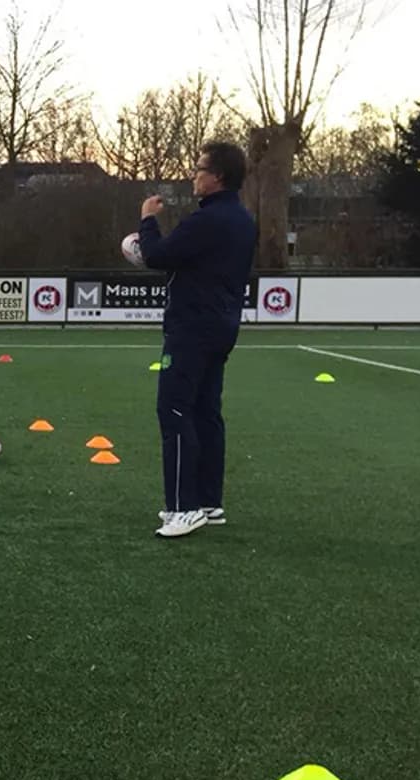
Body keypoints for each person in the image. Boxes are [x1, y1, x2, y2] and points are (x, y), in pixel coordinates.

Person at [138, 141, 257, 539]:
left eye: (199, 169)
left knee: (173, 410)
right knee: (207, 412)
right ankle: (209, 502)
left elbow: (156, 256)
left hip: (192, 328)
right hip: (223, 326)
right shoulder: (242, 220)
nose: (195, 175)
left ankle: (183, 507)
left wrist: (147, 221)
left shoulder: (207, 221)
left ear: (217, 177)